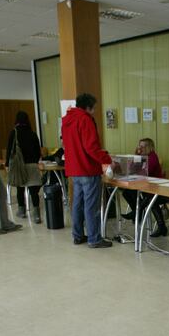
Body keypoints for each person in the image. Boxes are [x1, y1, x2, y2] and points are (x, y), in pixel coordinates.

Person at [62, 93, 114, 248]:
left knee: (77, 204)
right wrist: (106, 159)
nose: (94, 112)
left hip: (73, 169)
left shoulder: (67, 120)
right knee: (91, 205)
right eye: (93, 108)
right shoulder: (85, 119)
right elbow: (91, 146)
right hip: (87, 169)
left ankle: (77, 235)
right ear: (88, 107)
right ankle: (94, 238)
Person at [121, 138, 167, 238]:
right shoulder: (142, 156)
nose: (140, 148)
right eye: (139, 145)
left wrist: (136, 166)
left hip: (155, 186)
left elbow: (145, 172)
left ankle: (137, 213)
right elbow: (132, 168)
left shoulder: (152, 157)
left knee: (150, 198)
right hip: (144, 185)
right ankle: (137, 213)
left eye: (142, 146)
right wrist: (136, 156)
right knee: (127, 192)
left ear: (148, 147)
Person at [6, 111, 42, 223]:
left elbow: (9, 151)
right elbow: (38, 151)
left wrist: (7, 164)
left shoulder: (14, 133)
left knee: (20, 188)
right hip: (32, 165)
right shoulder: (32, 133)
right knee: (33, 191)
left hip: (19, 166)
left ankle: (22, 211)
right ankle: (37, 215)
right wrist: (35, 162)